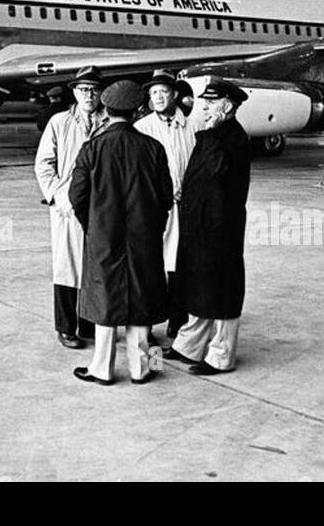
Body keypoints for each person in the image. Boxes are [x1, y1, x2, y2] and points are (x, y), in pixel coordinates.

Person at [69, 80, 173, 385]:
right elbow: (166, 196)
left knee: (105, 301)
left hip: (104, 236)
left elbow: (77, 196)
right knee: (142, 301)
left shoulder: (92, 148)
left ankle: (101, 368)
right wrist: (154, 224)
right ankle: (145, 368)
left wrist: (93, 225)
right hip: (145, 237)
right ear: (137, 110)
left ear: (106, 109)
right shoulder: (153, 148)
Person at [168, 77, 252, 375]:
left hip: (221, 228)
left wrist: (212, 132)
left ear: (227, 107)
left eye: (211, 103)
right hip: (200, 224)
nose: (203, 108)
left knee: (223, 290)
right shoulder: (214, 134)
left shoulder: (232, 137)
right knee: (200, 283)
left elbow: (217, 172)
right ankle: (189, 345)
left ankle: (221, 355)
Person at [34, 66, 107, 349]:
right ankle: (66, 327)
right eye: (84, 90)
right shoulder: (60, 122)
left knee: (96, 265)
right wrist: (56, 197)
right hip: (67, 207)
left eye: (94, 90)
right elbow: (44, 164)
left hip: (100, 206)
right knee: (67, 266)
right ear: (74, 92)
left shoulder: (109, 121)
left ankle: (89, 323)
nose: (89, 95)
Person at [134, 69, 196, 345]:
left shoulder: (192, 126)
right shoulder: (142, 128)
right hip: (154, 207)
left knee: (180, 263)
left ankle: (177, 318)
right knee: (153, 262)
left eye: (163, 92)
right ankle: (147, 321)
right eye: (154, 93)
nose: (158, 97)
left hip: (184, 206)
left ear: (175, 95)